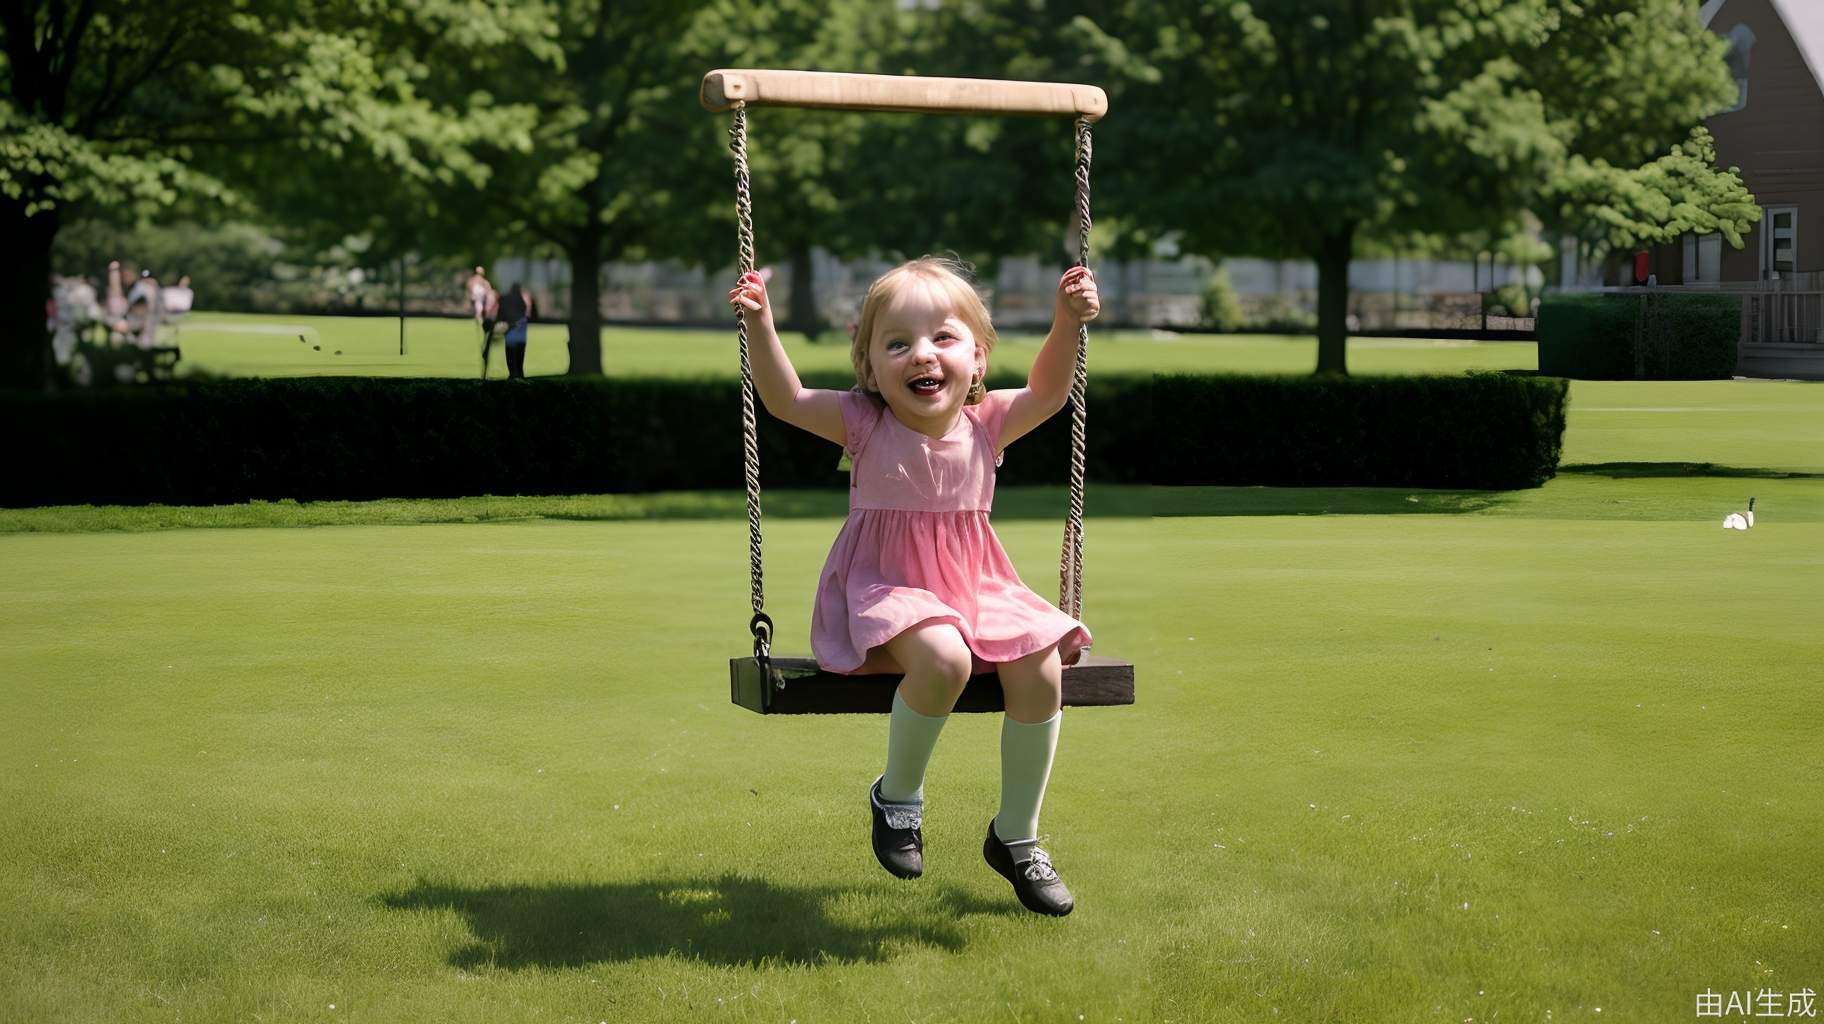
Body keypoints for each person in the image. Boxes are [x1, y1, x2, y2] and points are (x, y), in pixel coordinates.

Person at [727, 256, 1100, 917]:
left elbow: (1049, 391)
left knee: (1042, 662)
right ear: (869, 367)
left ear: (978, 360)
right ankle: (897, 798)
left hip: (976, 587)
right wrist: (760, 324)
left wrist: (1067, 321)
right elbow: (784, 400)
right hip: (885, 588)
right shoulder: (864, 424)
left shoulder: (988, 426)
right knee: (946, 656)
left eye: (943, 338)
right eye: (897, 343)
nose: (921, 355)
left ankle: (1017, 834)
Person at [497, 281, 533, 379]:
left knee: (510, 354)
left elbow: (501, 313)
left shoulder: (506, 299)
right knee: (520, 354)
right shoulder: (521, 300)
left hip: (510, 330)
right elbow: (526, 312)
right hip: (521, 332)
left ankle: (513, 373)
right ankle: (519, 373)